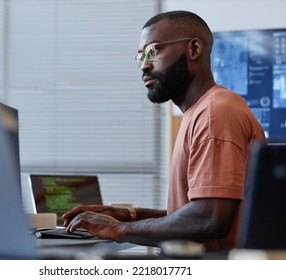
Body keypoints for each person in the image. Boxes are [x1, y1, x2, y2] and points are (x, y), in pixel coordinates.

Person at [63, 10, 266, 251]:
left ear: (193, 50)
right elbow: (193, 211)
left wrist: (118, 229)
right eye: (140, 57)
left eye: (153, 51)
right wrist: (127, 215)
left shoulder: (214, 114)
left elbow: (208, 218)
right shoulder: (202, 112)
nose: (144, 66)